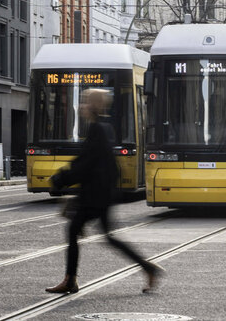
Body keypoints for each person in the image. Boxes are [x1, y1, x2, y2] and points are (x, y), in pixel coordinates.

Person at [45, 88, 162, 294]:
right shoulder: (103, 128)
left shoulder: (98, 129)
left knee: (74, 230)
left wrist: (60, 179)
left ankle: (70, 279)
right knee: (107, 237)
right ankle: (148, 268)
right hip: (101, 194)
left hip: (95, 196)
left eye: (85, 101)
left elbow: (86, 164)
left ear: (94, 105)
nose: (81, 105)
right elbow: (89, 162)